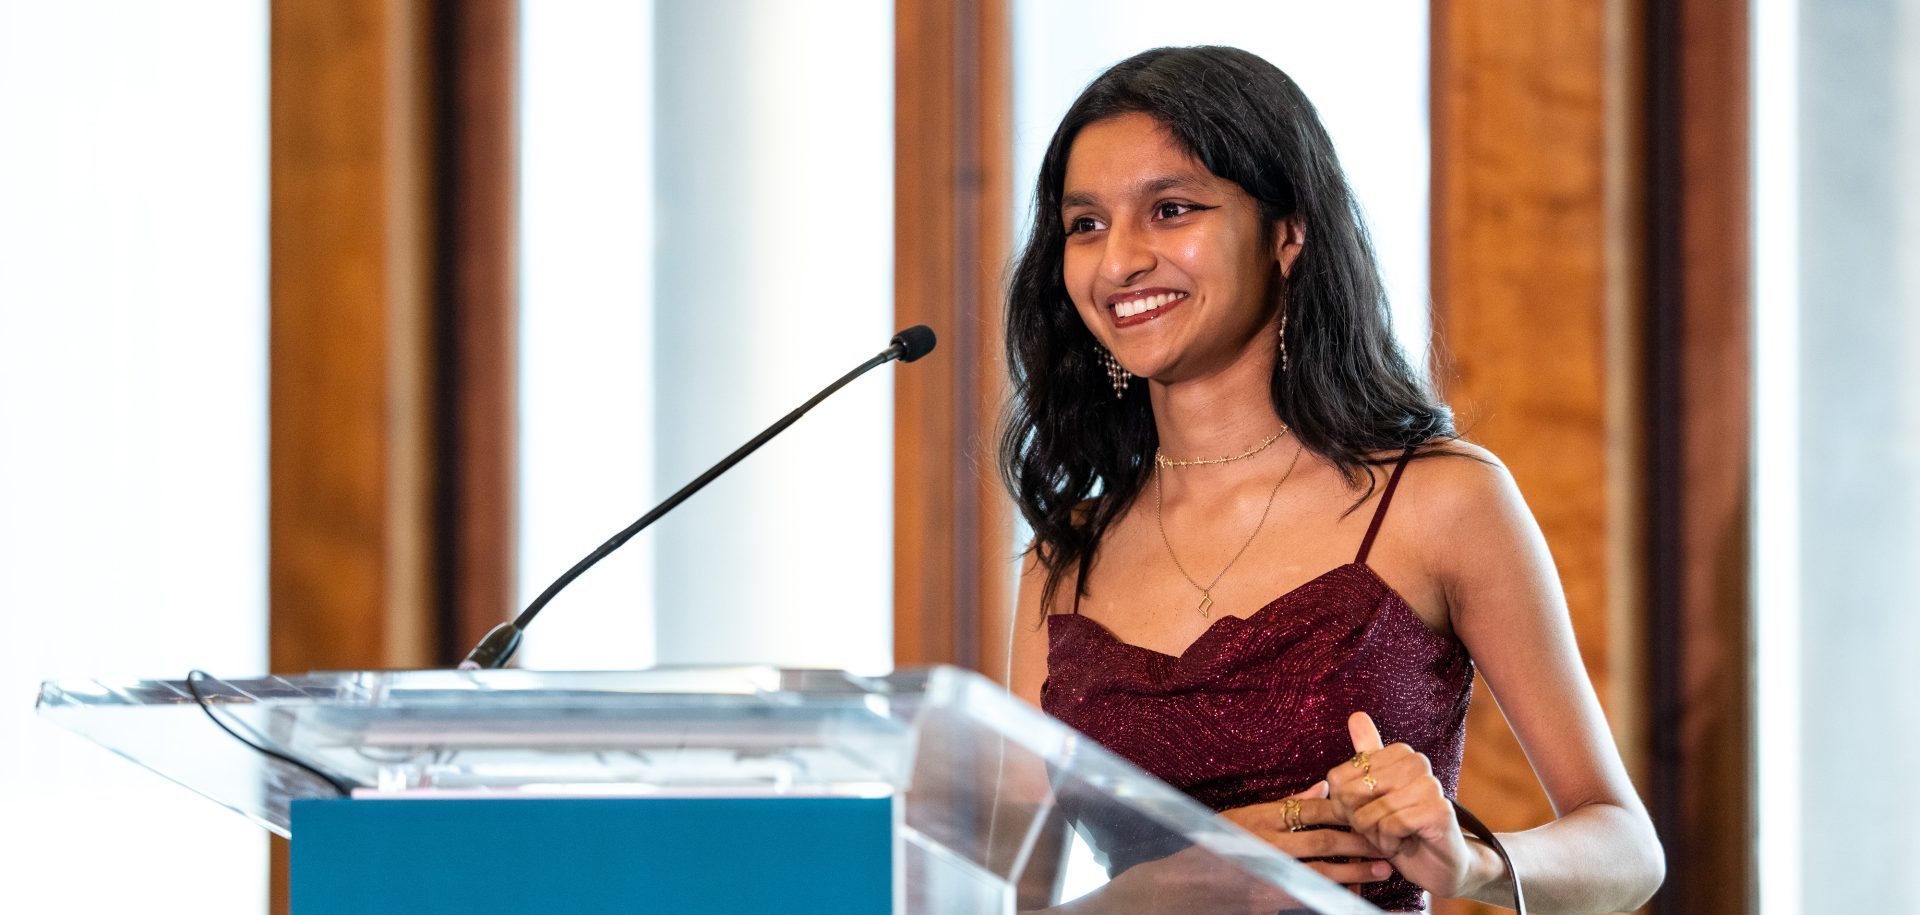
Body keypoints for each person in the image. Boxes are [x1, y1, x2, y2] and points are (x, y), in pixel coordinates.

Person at [1001, 46, 1664, 913]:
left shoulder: (1440, 500)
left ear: (1287, 233)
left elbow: (1627, 845)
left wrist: (1473, 864)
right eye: (1084, 224)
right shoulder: (1063, 559)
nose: (1118, 260)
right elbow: (1006, 896)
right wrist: (1176, 888)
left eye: (1170, 210)